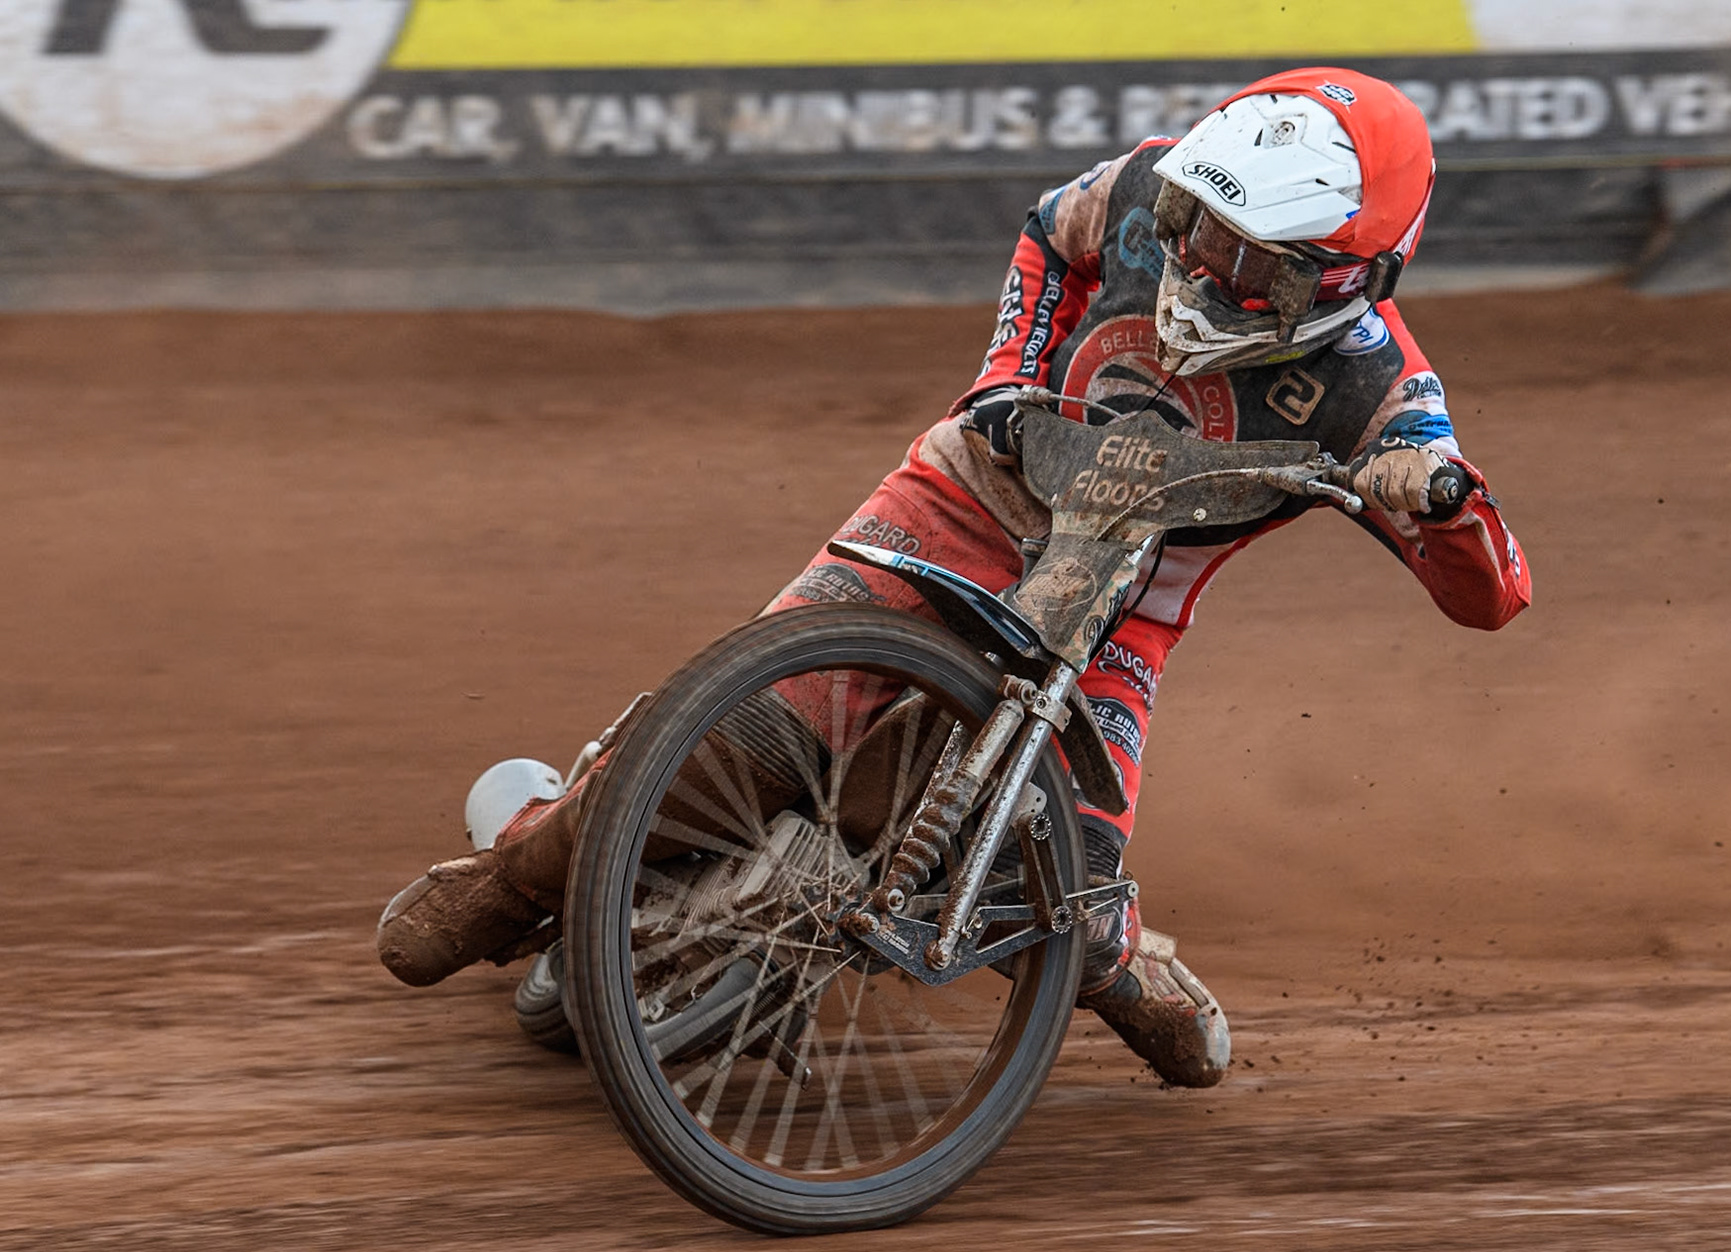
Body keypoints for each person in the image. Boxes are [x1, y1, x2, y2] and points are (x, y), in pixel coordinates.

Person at [376, 67, 1532, 1091]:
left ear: (1347, 279)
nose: (1199, 261)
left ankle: (1123, 960)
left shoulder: (1382, 394)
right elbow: (1047, 230)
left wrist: (1438, 498)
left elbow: (1493, 594)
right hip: (961, 498)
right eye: (1197, 223)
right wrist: (1010, 382)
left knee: (1058, 887)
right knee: (741, 739)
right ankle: (512, 872)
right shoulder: (1141, 188)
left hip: (1117, 618)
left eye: (1247, 261)